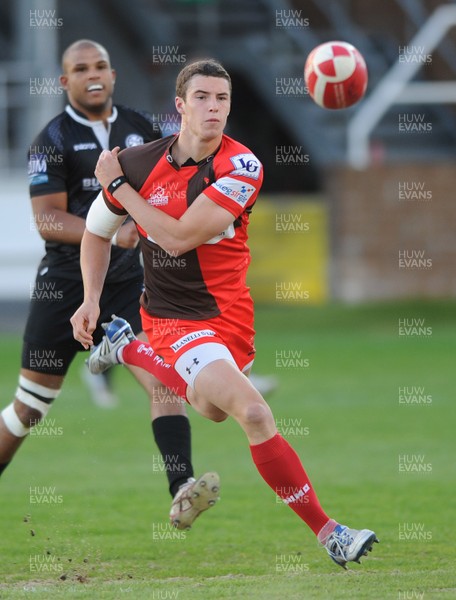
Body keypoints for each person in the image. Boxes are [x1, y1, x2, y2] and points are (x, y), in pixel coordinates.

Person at [71, 58, 379, 568]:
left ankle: (125, 346)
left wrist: (119, 188)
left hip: (230, 319)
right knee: (254, 413)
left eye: (222, 100)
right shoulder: (141, 163)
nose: (213, 108)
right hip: (173, 319)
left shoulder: (242, 167)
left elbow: (177, 236)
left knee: (212, 408)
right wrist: (89, 298)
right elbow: (96, 232)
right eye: (202, 98)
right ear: (180, 105)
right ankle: (332, 534)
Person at [0, 39, 219, 531]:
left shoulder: (143, 128)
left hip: (127, 285)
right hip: (63, 286)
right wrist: (114, 234)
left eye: (100, 65)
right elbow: (48, 221)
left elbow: (181, 174)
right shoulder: (51, 140)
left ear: (113, 74)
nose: (92, 74)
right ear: (65, 82)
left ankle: (181, 489)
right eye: (80, 68)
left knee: (164, 379)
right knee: (29, 409)